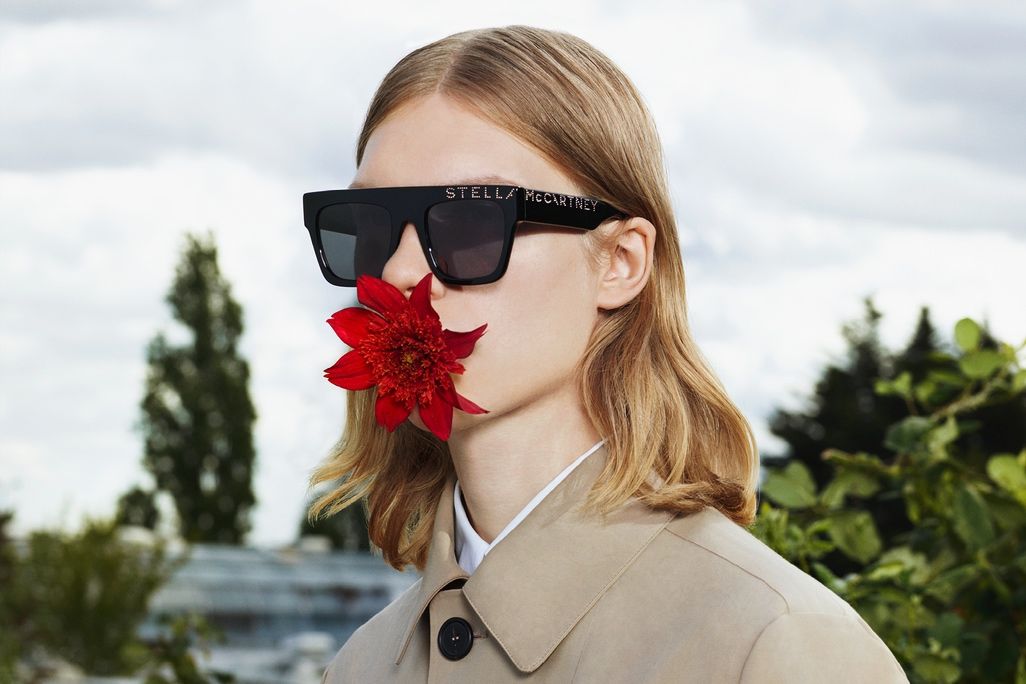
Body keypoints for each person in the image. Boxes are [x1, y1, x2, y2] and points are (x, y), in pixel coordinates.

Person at [303, 24, 909, 683]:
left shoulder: (772, 645)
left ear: (620, 261)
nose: (399, 273)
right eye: (369, 229)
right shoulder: (358, 668)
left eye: (472, 220)